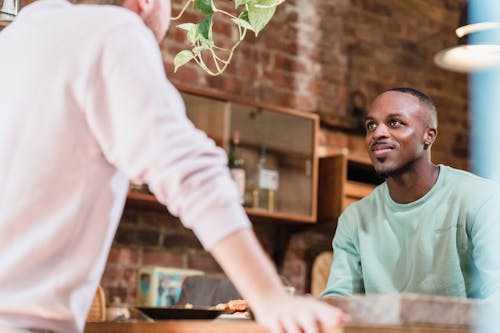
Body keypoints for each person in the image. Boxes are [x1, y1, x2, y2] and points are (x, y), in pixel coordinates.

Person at [0, 0, 348, 332]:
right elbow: (191, 172)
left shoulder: (14, 39)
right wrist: (272, 301)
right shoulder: (113, 31)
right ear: (145, 2)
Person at [321, 87, 500, 299]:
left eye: (395, 123)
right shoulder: (354, 220)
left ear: (429, 135)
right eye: (371, 125)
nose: (377, 133)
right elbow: (338, 301)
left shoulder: (480, 199)